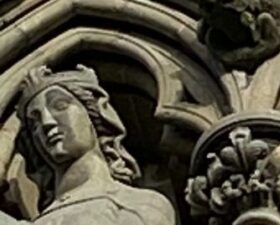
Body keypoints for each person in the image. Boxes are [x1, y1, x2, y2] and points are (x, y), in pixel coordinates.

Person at [0, 66, 175, 225]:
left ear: (94, 116)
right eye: (34, 122)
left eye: (60, 106)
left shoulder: (141, 206)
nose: (47, 122)